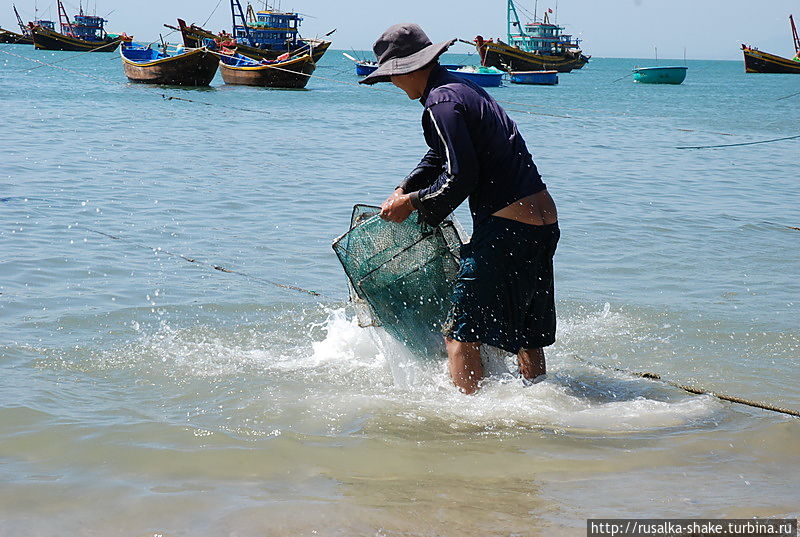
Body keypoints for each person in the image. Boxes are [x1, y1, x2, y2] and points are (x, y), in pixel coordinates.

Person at [361, 24, 559, 394]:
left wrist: (413, 204)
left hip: (507, 225)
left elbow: (461, 176)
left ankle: (469, 424)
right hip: (543, 221)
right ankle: (540, 401)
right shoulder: (462, 89)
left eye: (391, 76)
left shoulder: (440, 103)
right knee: (526, 335)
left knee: (458, 334)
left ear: (407, 68)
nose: (392, 84)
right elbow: (441, 154)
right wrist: (406, 186)